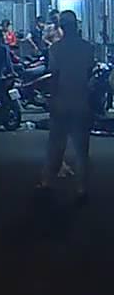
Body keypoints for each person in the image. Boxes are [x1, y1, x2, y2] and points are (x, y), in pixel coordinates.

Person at [39, 11, 95, 203]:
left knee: (55, 145)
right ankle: (81, 188)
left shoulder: (56, 49)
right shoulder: (88, 48)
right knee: (81, 148)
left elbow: (54, 77)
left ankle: (47, 182)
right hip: (81, 102)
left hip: (62, 102)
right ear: (76, 26)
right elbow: (89, 74)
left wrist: (51, 99)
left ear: (62, 27)